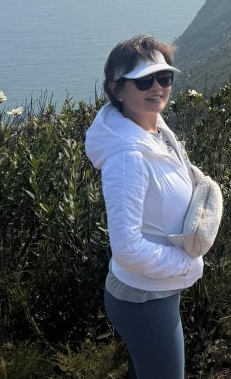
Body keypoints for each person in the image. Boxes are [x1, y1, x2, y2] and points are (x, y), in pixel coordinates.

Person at [85, 35, 203, 379]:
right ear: (117, 89)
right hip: (144, 297)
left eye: (164, 78)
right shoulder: (127, 157)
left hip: (158, 289)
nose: (157, 88)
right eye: (144, 80)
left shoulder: (154, 127)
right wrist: (187, 264)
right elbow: (127, 248)